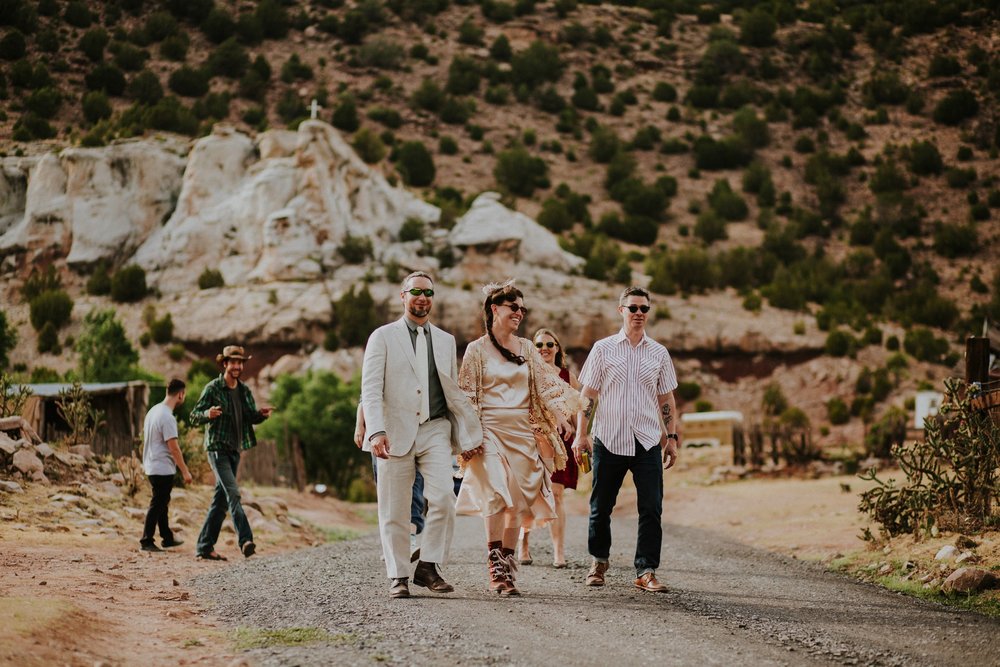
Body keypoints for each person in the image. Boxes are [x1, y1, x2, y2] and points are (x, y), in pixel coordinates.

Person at [361, 271, 483, 600]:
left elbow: (449, 387)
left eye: (428, 292)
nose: (422, 297)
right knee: (395, 508)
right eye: (415, 291)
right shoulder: (382, 337)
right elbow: (370, 390)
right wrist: (376, 431)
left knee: (444, 497)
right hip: (393, 430)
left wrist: (467, 431)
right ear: (403, 296)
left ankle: (428, 565)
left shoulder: (445, 341)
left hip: (435, 428)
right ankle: (398, 575)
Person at [457, 280, 579, 596]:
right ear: (495, 309)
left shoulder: (526, 348)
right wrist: (470, 436)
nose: (520, 313)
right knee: (497, 496)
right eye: (514, 307)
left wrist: (562, 416)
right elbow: (467, 395)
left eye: (523, 309)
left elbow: (543, 386)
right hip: (489, 433)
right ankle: (495, 567)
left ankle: (508, 568)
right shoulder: (476, 350)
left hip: (522, 433)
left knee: (517, 503)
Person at [572, 286, 680, 593]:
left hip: (647, 441)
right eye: (633, 308)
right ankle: (599, 561)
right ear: (621, 311)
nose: (639, 314)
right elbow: (588, 395)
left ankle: (645, 569)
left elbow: (666, 397)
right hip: (608, 439)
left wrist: (671, 437)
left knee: (651, 508)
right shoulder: (603, 349)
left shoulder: (659, 353)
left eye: (644, 309)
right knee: (600, 506)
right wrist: (581, 434)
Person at [190, 345, 273, 561]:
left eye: (240, 362)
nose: (237, 366)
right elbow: (194, 416)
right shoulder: (213, 388)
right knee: (234, 493)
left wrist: (261, 415)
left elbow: (250, 417)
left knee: (221, 500)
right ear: (224, 363)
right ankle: (245, 540)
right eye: (233, 362)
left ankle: (204, 546)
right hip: (217, 448)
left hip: (235, 450)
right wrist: (208, 413)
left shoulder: (244, 390)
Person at [517, 328, 580, 568]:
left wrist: (581, 436)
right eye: (539, 345)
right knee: (530, 494)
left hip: (561, 441)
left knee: (557, 495)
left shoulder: (567, 376)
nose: (544, 349)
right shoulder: (526, 373)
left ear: (557, 349)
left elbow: (576, 410)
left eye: (549, 345)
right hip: (532, 439)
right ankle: (524, 544)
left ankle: (558, 552)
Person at [355, 403, 426, 561]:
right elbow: (366, 395)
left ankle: (410, 540)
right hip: (383, 432)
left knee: (415, 485)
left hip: (414, 431)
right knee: (386, 490)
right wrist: (359, 424)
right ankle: (393, 544)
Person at [140, 378, 192, 553]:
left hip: (151, 465)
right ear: (180, 394)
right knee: (158, 503)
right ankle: (146, 540)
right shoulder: (167, 417)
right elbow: (174, 448)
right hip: (162, 467)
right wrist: (185, 471)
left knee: (162, 503)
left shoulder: (153, 411)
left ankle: (167, 538)